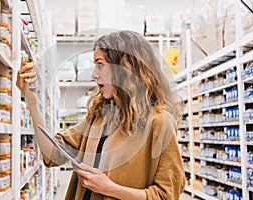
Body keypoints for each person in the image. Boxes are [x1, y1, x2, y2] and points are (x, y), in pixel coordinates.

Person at [17, 30, 185, 200]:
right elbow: (52, 154)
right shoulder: (100, 116)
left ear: (125, 67)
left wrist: (110, 189)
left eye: (100, 64)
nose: (93, 74)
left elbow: (166, 195)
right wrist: (31, 100)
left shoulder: (159, 122)